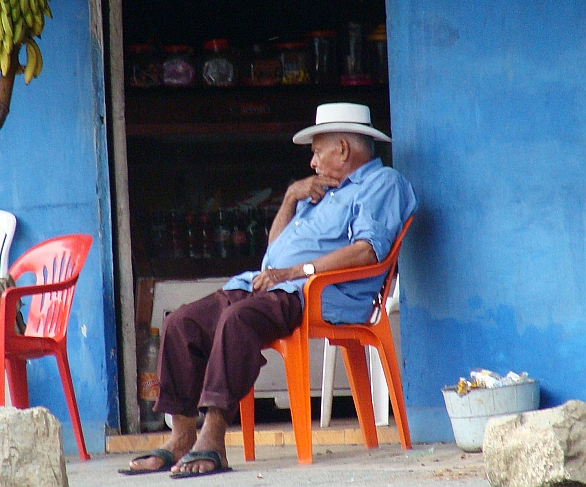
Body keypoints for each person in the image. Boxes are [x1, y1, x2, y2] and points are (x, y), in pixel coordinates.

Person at [121, 102, 418, 478]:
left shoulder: (382, 183)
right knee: (180, 323)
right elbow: (271, 256)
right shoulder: (322, 191)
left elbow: (367, 250)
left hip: (312, 294)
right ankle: (181, 437)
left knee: (236, 321)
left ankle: (213, 437)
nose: (312, 163)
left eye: (316, 151)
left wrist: (297, 271)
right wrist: (292, 197)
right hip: (268, 285)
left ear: (342, 149)